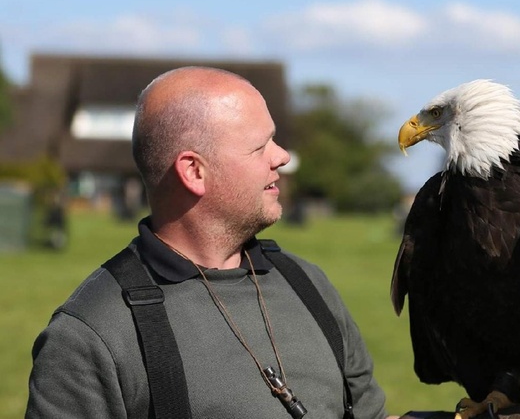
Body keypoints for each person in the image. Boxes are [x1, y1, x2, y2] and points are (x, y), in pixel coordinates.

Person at [26, 67, 397, 418]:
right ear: (194, 171)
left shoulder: (307, 284)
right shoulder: (90, 335)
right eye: (259, 146)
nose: (282, 157)